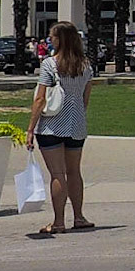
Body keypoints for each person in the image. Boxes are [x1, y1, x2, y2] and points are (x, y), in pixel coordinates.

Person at [26, 20, 95, 235]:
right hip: (76, 125)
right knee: (74, 172)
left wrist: (30, 128)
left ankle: (58, 222)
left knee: (57, 174)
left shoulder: (50, 64)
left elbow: (40, 99)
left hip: (51, 127)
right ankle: (79, 216)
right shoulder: (85, 65)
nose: (50, 40)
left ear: (60, 39)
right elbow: (85, 99)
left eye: (52, 36)